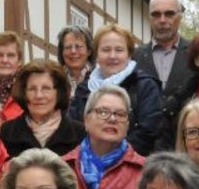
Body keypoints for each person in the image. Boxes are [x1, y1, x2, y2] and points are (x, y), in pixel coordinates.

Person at [70, 24, 163, 156]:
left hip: (132, 164)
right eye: (106, 50)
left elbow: (149, 131)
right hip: (87, 163)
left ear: (129, 54)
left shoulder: (145, 85)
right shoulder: (84, 89)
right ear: (96, 54)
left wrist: (115, 156)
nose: (112, 56)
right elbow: (74, 128)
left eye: (119, 50)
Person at [0, 59, 84, 158]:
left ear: (59, 92)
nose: (39, 95)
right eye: (32, 89)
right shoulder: (7, 132)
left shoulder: (80, 134)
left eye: (46, 88)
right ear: (24, 93)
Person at [132, 0, 195, 104]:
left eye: (169, 14)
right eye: (156, 14)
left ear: (180, 18)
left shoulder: (195, 52)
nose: (162, 20)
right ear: (149, 19)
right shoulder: (134, 57)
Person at [56, 24, 94, 96]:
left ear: (89, 50)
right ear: (62, 52)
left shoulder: (98, 78)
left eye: (78, 46)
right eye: (68, 47)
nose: (73, 51)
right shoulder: (55, 78)